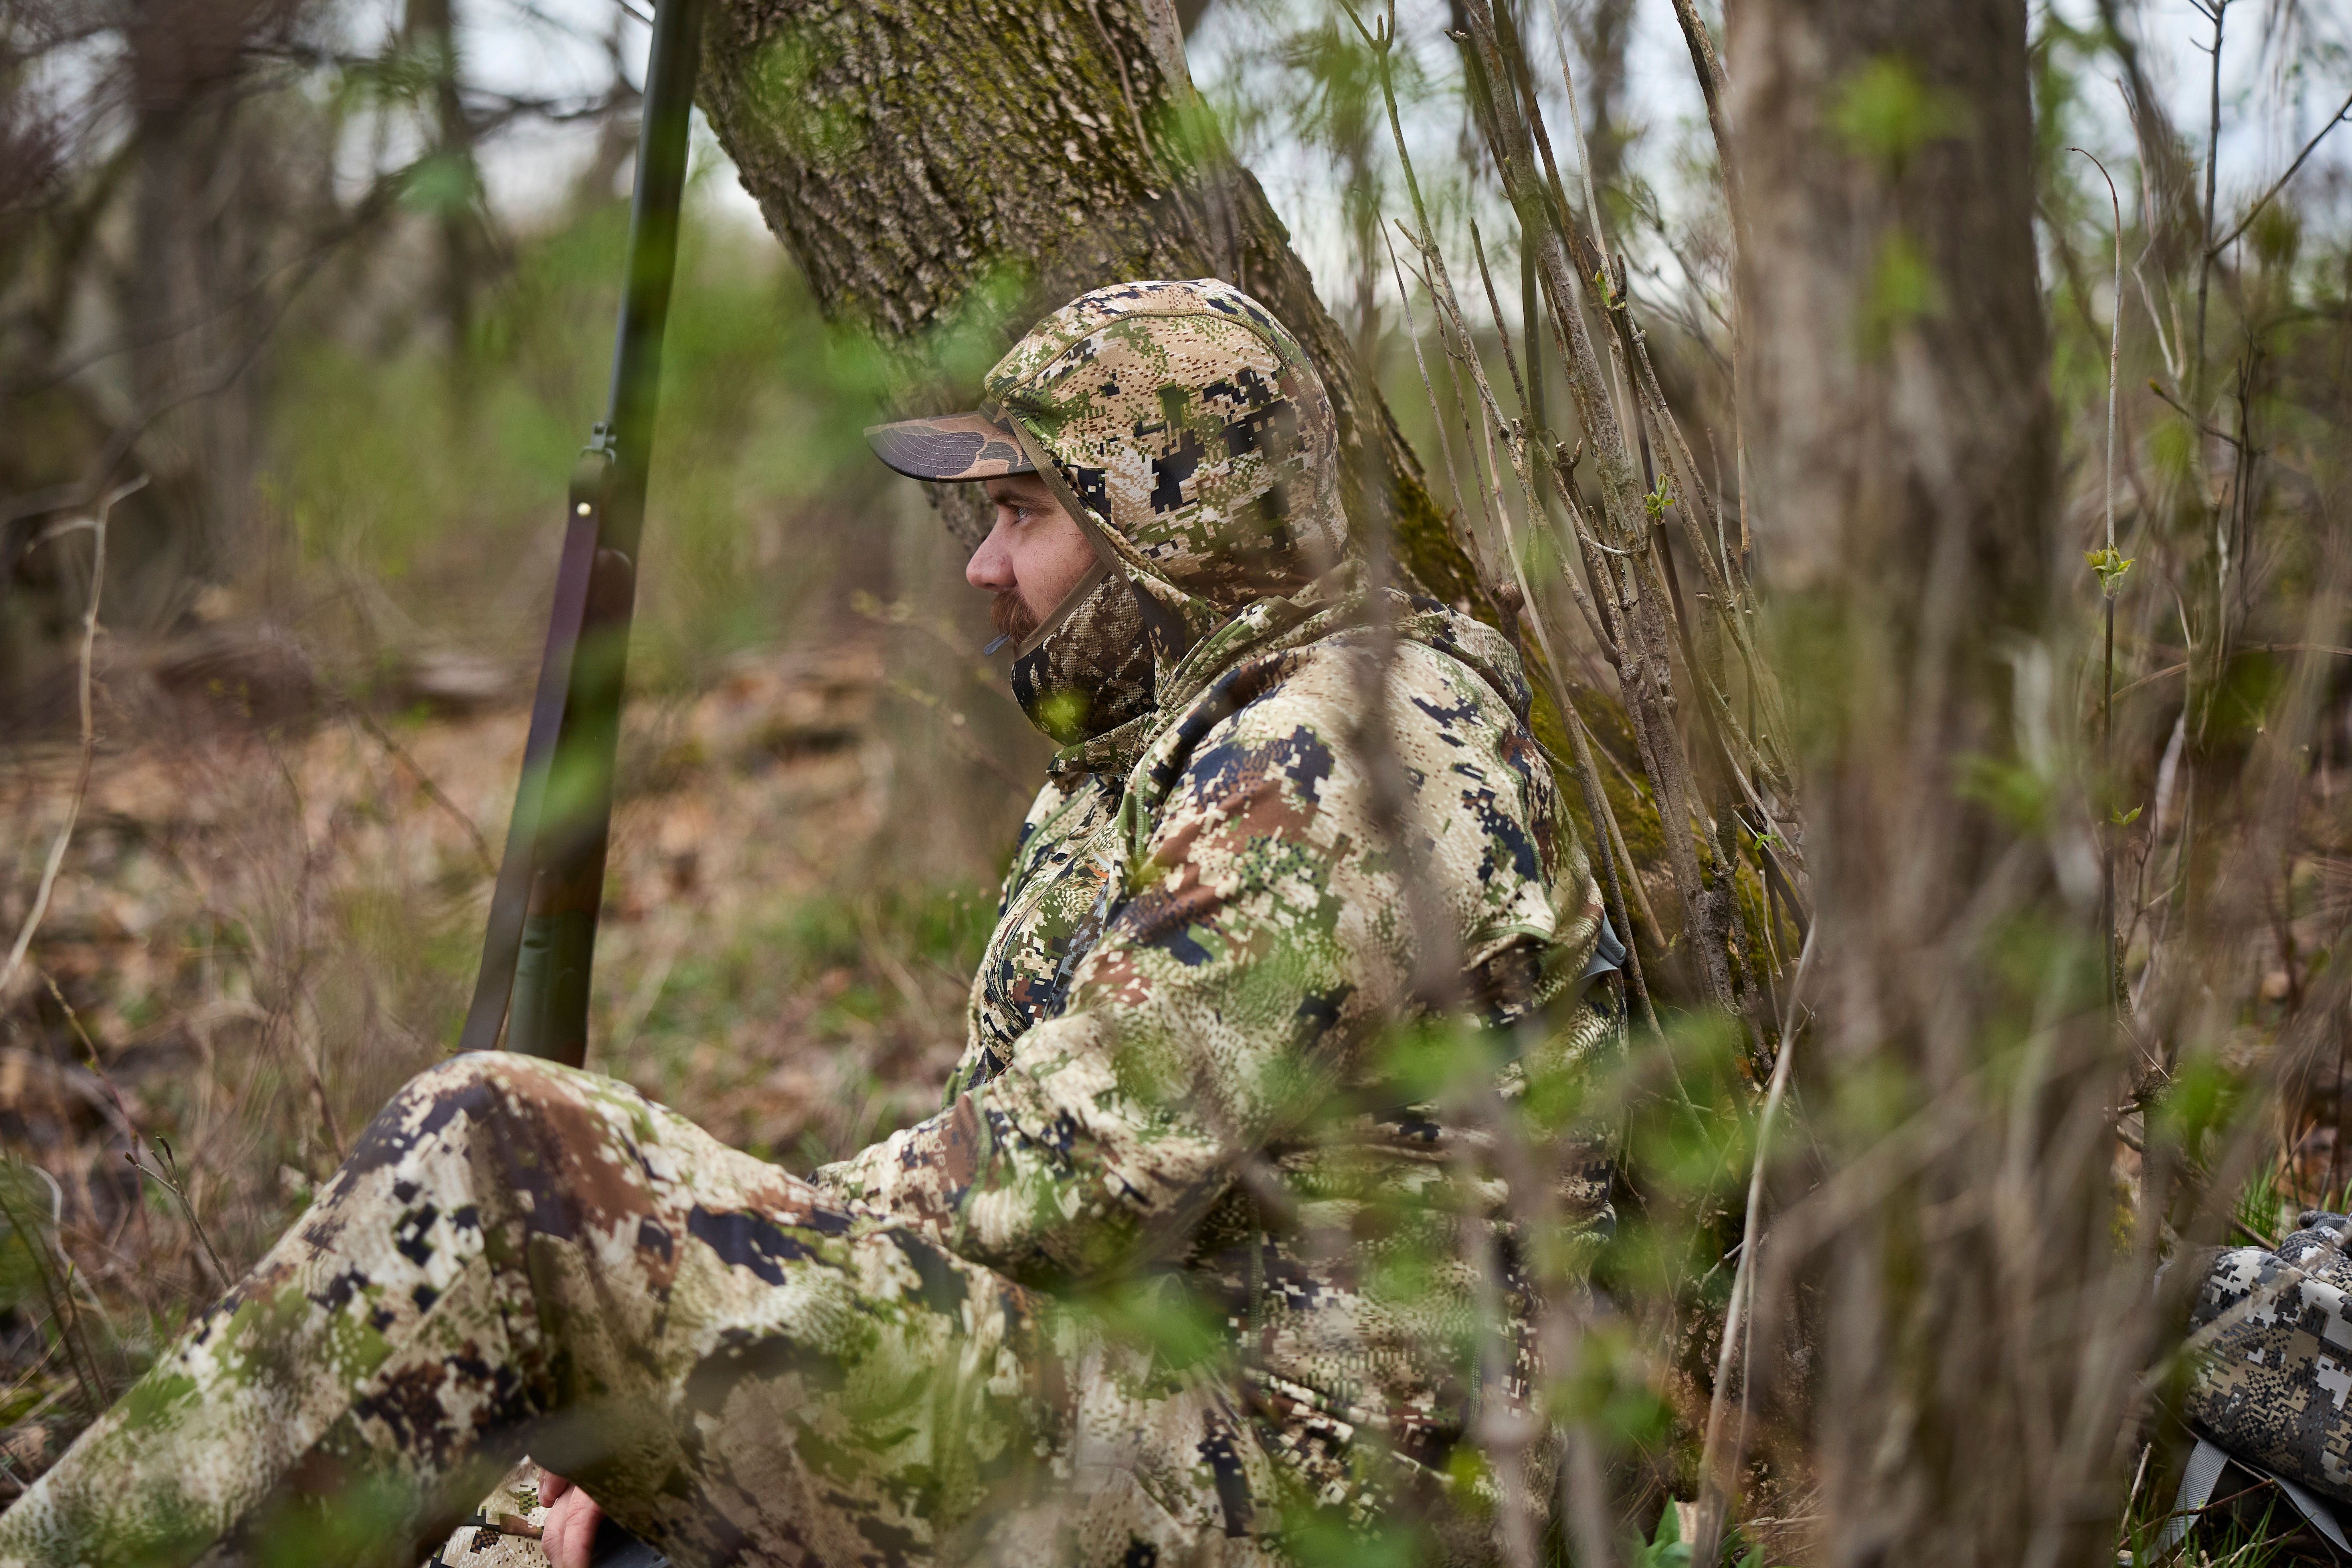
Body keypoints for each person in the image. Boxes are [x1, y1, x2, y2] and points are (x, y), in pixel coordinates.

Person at [0, 279, 1618, 1568]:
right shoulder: (1165, 744)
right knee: (498, 1502)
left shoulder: (1344, 753)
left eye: (1028, 515)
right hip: (1173, 1420)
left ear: (1165, 527)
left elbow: (1071, 1165)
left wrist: (669, 1274)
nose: (982, 567)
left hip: (1326, 1491)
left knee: (502, 1162)